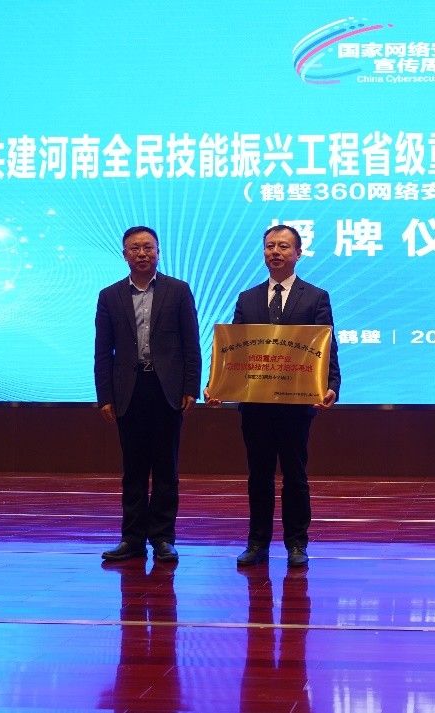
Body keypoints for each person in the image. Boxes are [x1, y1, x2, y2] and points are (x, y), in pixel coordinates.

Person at [206, 224, 340, 568]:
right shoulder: (247, 298)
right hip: (256, 404)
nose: (275, 252)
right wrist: (217, 384)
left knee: (295, 475)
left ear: (298, 253)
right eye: (270, 246)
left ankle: (296, 544)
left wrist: (332, 385)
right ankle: (257, 544)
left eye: (283, 246)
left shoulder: (315, 297)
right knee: (259, 476)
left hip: (296, 403)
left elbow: (327, 347)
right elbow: (233, 349)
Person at [95, 225, 201, 562]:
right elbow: (102, 350)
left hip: (166, 389)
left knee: (166, 467)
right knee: (134, 469)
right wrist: (104, 395)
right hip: (129, 390)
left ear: (158, 252)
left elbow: (191, 343)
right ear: (124, 254)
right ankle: (132, 539)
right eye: (135, 248)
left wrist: (191, 387)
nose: (142, 253)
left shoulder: (178, 290)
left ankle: (163, 538)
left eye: (148, 247)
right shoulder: (110, 295)